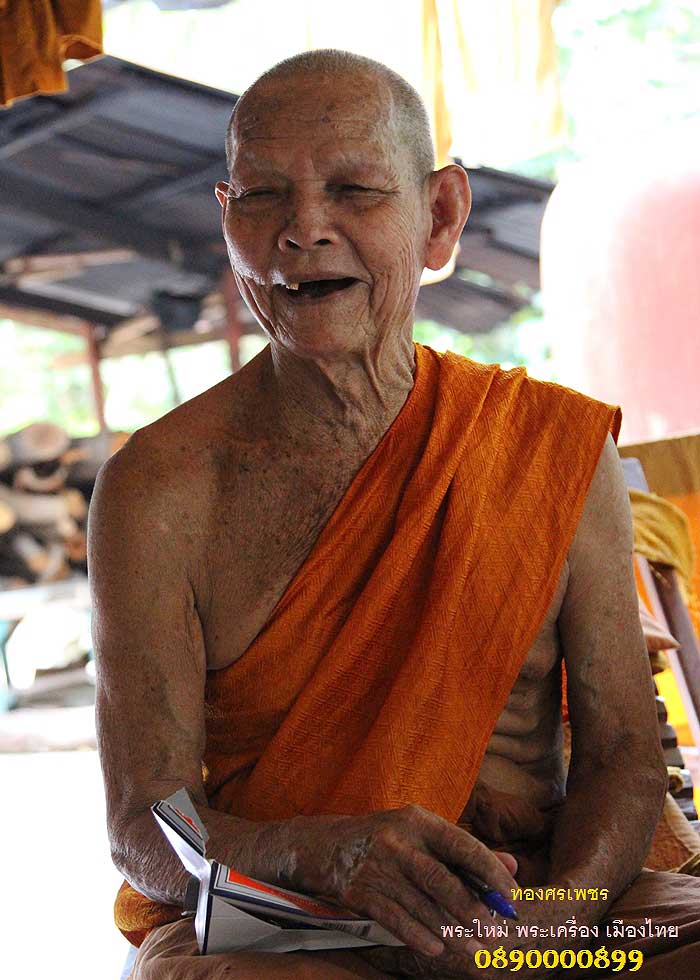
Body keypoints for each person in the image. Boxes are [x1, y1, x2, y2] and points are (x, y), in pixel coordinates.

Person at [89, 50, 700, 980]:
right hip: (297, 925)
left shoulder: (549, 445)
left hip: (541, 898)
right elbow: (148, 827)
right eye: (262, 196)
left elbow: (622, 752)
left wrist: (549, 930)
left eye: (353, 190)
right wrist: (322, 854)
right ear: (226, 219)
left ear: (439, 217)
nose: (303, 231)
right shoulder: (158, 490)